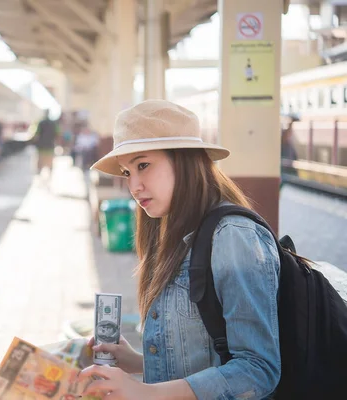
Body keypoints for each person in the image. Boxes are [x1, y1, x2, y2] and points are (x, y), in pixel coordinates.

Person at [76, 100, 281, 399]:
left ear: (185, 161)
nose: (133, 185)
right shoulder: (173, 233)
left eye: (143, 165)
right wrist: (135, 362)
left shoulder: (232, 237)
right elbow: (204, 360)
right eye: (126, 172)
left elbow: (257, 370)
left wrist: (146, 393)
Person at [32, 109, 59, 176]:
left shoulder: (41, 123)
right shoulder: (53, 123)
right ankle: (49, 174)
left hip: (41, 145)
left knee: (40, 161)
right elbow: (58, 134)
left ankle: (39, 173)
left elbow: (36, 135)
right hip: (50, 145)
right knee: (50, 161)